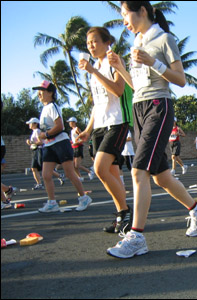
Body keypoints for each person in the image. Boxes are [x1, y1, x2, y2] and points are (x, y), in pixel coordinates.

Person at [105, 1, 197, 259]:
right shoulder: (137, 44)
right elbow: (136, 84)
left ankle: (137, 236)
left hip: (158, 107)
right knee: (160, 176)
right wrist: (120, 66)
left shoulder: (164, 39)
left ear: (142, 10)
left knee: (138, 170)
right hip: (139, 108)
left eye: (125, 14)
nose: (124, 21)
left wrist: (154, 61)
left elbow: (181, 80)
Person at [78, 26, 132, 234]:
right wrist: (87, 129)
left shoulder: (112, 61)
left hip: (117, 123)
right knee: (112, 174)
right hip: (99, 126)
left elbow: (118, 90)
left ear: (106, 42)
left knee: (100, 169)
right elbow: (97, 104)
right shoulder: (96, 67)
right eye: (88, 43)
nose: (91, 46)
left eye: (94, 41)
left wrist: (93, 71)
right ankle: (121, 216)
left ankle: (126, 212)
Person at [32, 80, 92, 212]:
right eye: (38, 91)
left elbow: (59, 126)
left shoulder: (52, 106)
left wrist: (45, 134)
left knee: (70, 173)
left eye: (41, 91)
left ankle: (84, 198)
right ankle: (52, 202)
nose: (39, 94)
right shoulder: (44, 108)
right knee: (46, 174)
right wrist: (42, 137)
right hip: (49, 145)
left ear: (50, 93)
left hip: (60, 143)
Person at [26, 117, 65, 190]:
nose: (29, 125)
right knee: (33, 168)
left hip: (39, 150)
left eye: (30, 123)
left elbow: (41, 142)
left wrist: (31, 142)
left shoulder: (37, 131)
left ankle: (59, 176)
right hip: (34, 150)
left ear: (35, 124)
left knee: (44, 168)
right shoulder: (34, 131)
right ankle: (39, 184)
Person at [67, 117, 94, 181]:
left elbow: (83, 139)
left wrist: (77, 143)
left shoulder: (77, 129)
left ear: (74, 122)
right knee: (73, 165)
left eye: (70, 122)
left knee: (77, 165)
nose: (69, 124)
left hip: (78, 147)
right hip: (73, 148)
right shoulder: (71, 130)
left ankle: (89, 172)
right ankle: (79, 177)